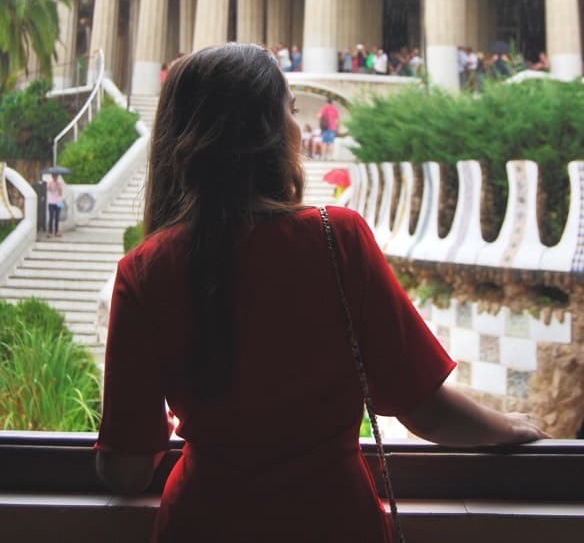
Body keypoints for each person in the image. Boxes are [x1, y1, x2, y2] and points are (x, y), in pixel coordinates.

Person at [96, 43, 545, 543]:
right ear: (268, 132)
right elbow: (424, 408)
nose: (298, 124)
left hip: (203, 522)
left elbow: (127, 470)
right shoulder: (338, 238)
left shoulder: (144, 269)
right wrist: (510, 428)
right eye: (289, 108)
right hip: (333, 520)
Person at [47, 173, 64, 238]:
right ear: (52, 177)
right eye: (54, 176)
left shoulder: (59, 184)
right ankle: (50, 232)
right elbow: (48, 189)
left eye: (56, 176)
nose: (55, 177)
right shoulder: (49, 183)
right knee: (51, 217)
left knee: (57, 217)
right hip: (51, 202)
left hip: (58, 202)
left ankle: (56, 231)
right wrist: (51, 185)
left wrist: (58, 188)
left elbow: (60, 194)